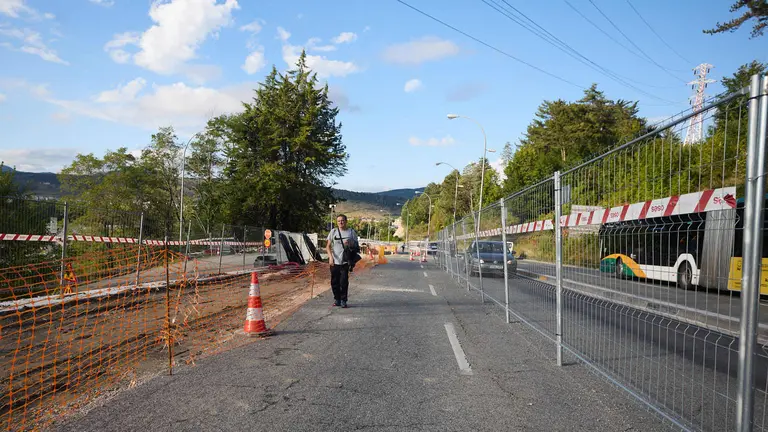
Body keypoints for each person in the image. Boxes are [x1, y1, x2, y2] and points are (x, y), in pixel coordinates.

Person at [326, 214, 359, 308]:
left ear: (346, 221)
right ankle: (337, 299)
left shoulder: (351, 232)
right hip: (334, 262)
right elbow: (328, 246)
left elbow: (356, 246)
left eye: (342, 220)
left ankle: (344, 300)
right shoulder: (333, 232)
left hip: (345, 261)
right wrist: (330, 257)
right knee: (334, 282)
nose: (340, 222)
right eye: (339, 221)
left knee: (343, 282)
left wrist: (350, 244)